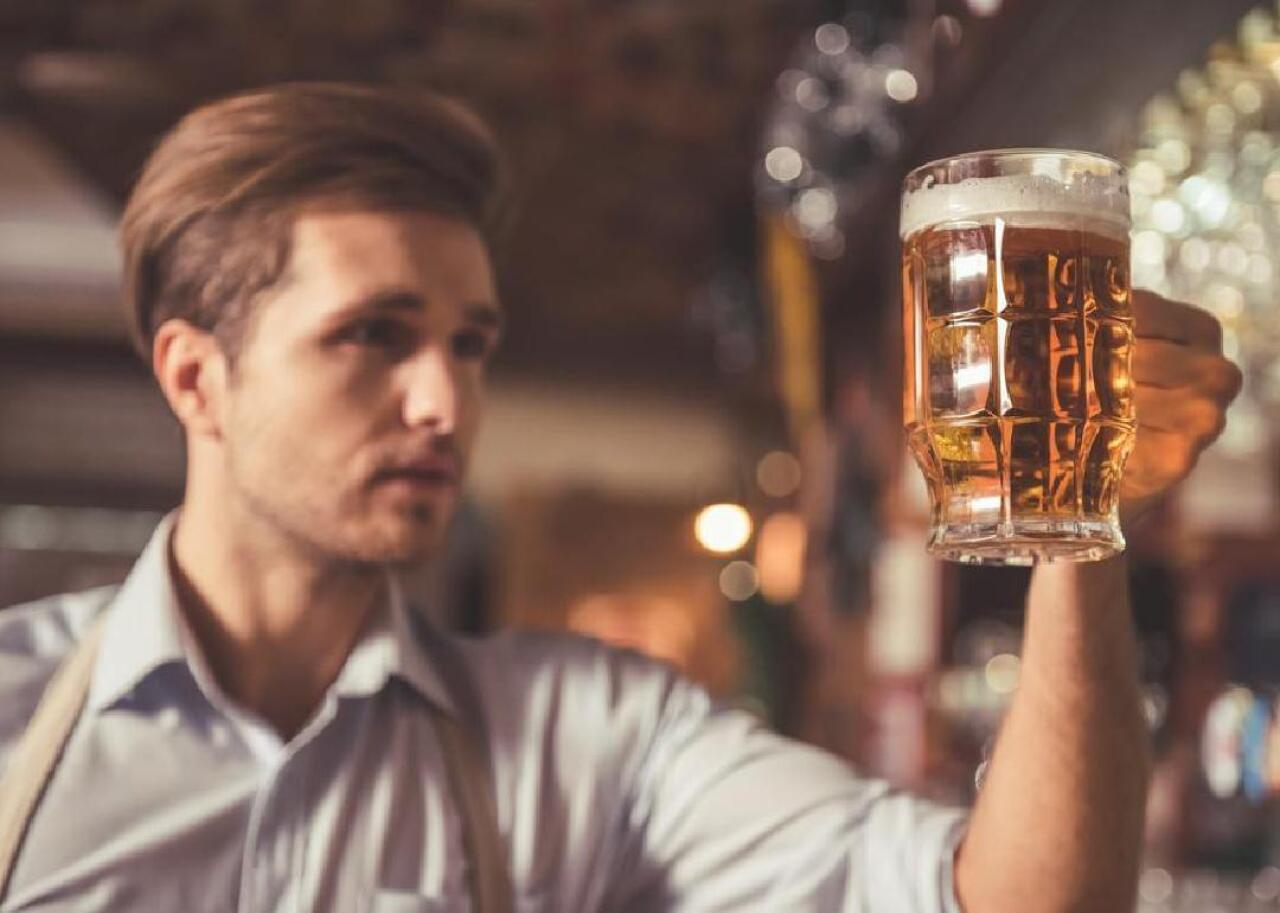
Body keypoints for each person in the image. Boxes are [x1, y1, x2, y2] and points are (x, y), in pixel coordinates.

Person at [0, 83, 1241, 913]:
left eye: (470, 344)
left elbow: (1018, 902)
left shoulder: (587, 732)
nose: (444, 400)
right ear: (196, 377)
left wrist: (1083, 522)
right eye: (373, 334)